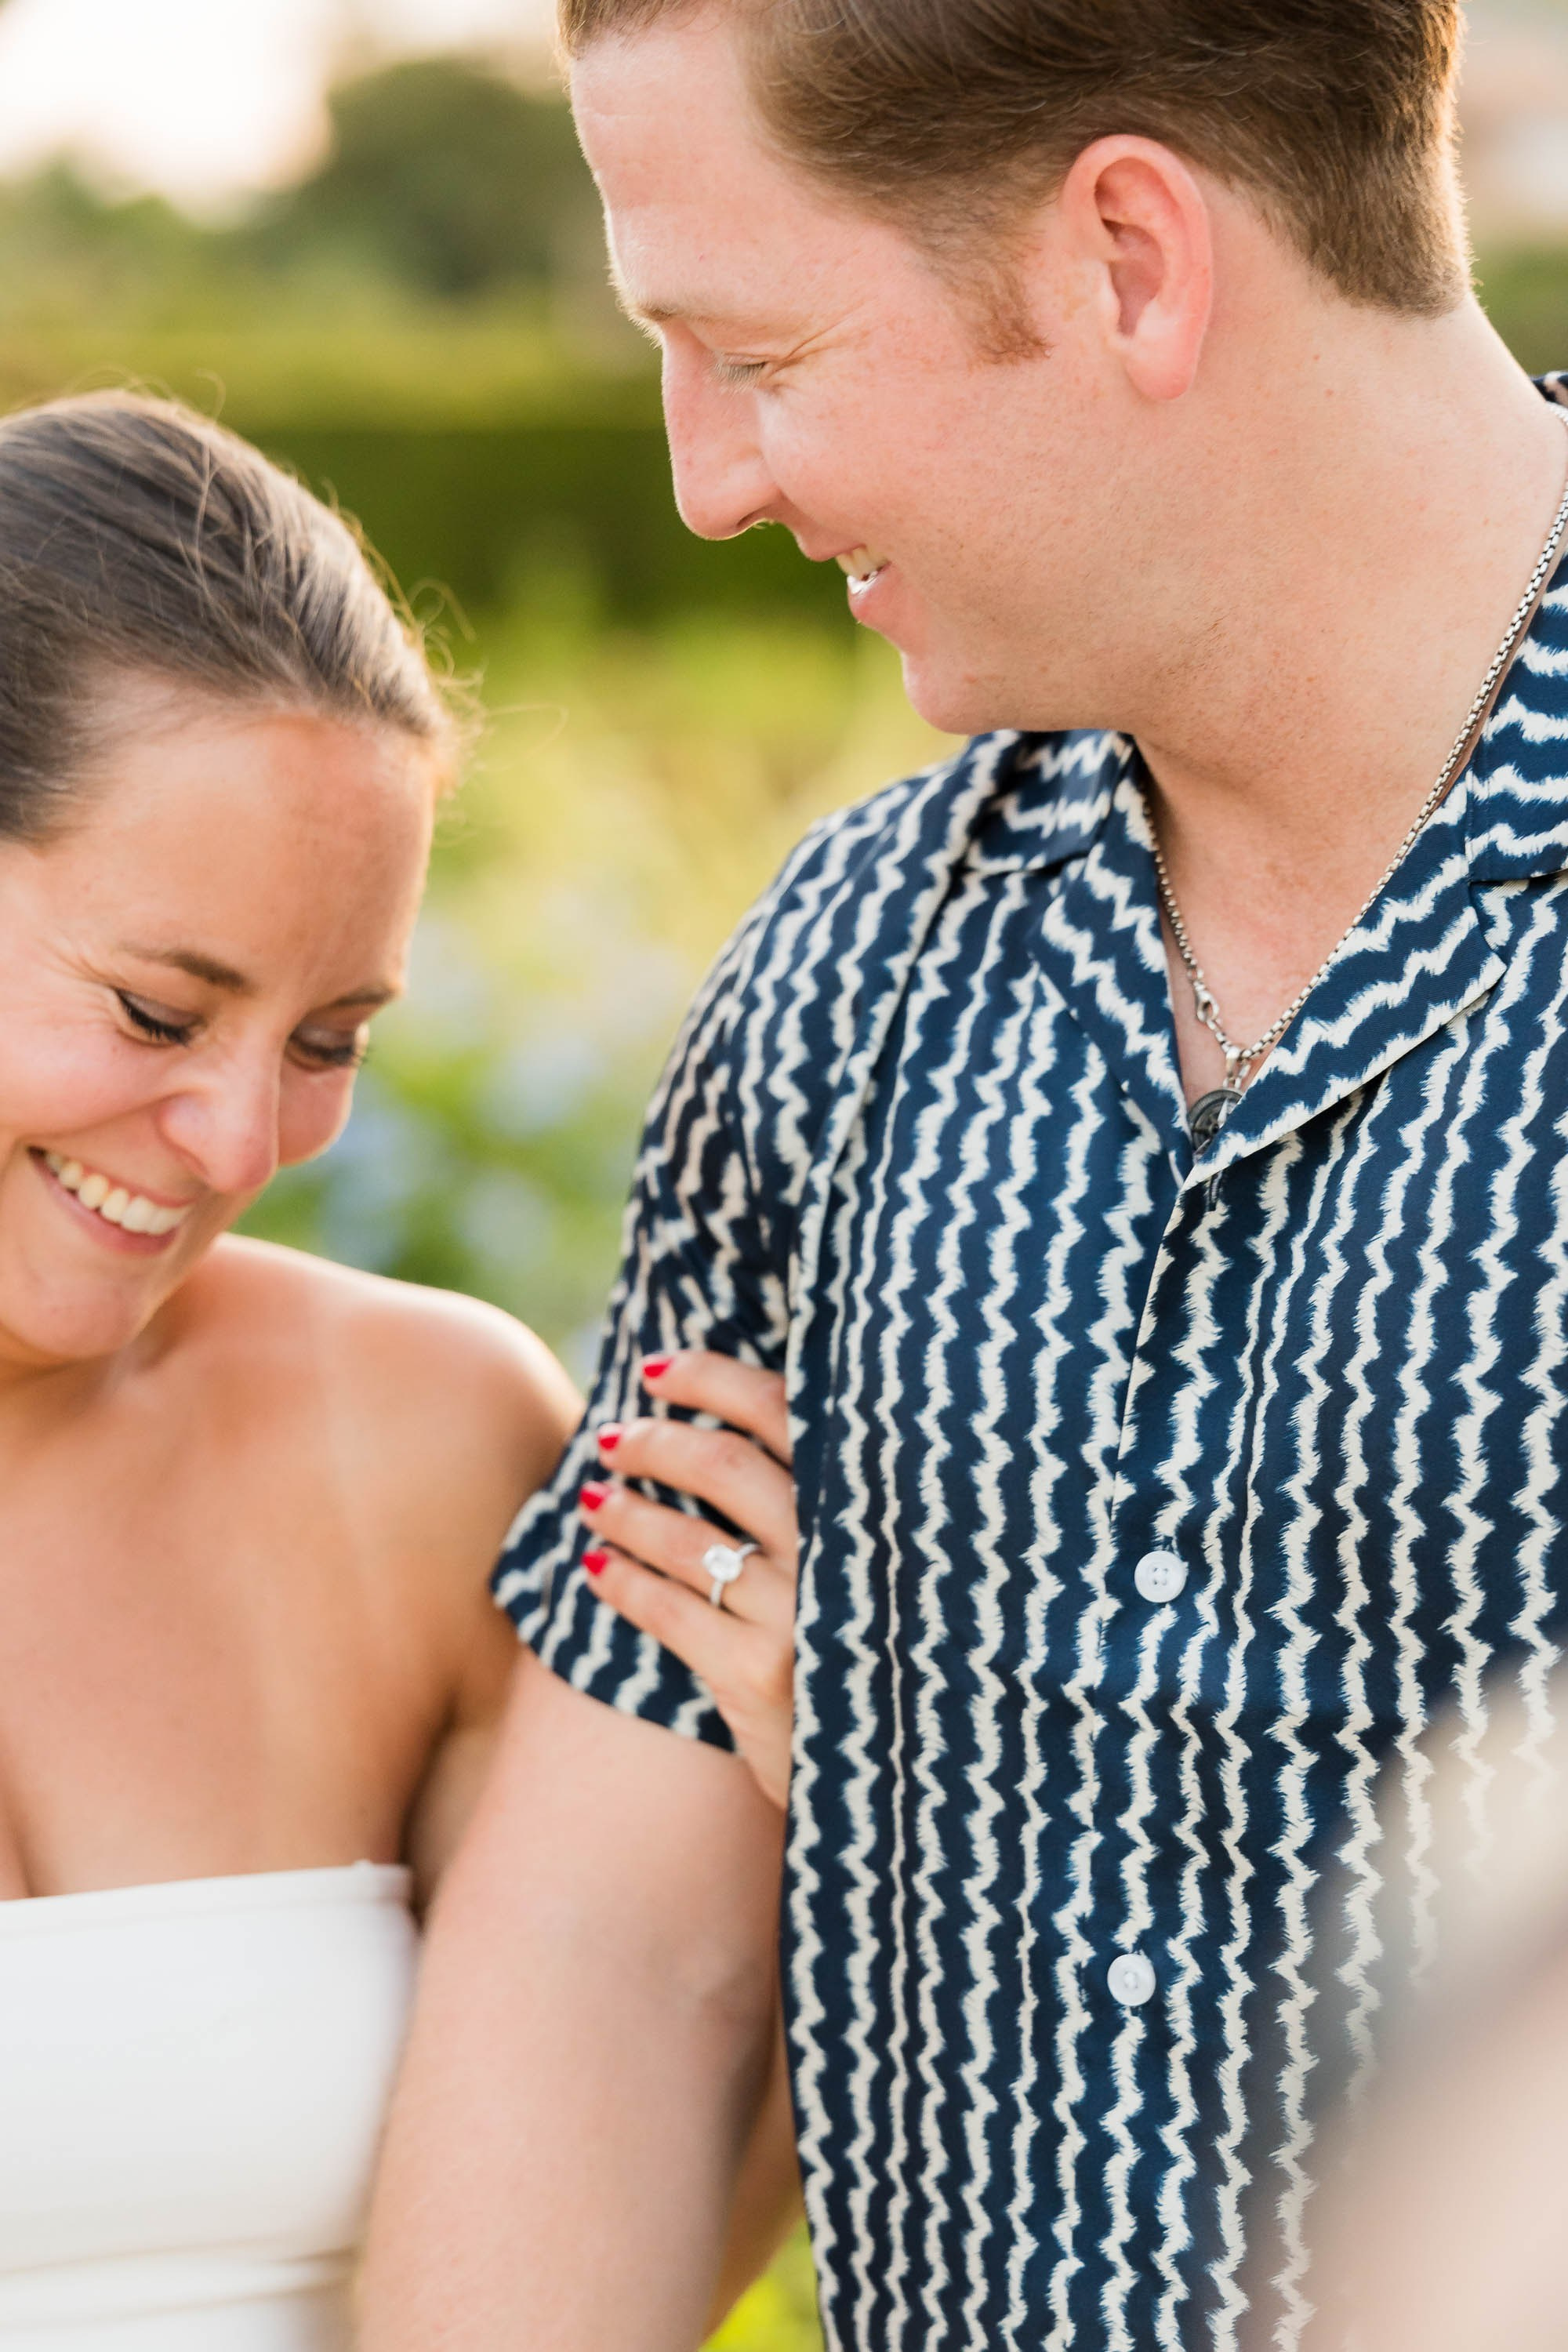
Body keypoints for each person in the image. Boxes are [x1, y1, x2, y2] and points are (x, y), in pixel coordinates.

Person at [358, 2, 1568, 2347]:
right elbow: (623, 1959)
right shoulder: (846, 975)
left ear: (1131, 258)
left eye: (759, 349)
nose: (704, 483)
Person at [0, 388, 800, 2350]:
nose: (236, 1142)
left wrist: (831, 1809)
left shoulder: (424, 1441)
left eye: (329, 1038)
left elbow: (629, 2231)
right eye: (160, 1007)